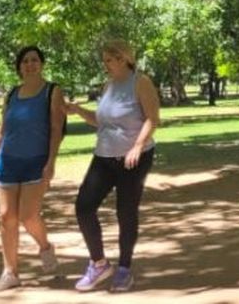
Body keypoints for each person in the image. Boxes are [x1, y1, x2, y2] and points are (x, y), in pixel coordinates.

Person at [65, 39, 160, 292]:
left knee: (125, 212)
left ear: (123, 58)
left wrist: (138, 146)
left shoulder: (141, 82)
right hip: (104, 157)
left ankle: (124, 269)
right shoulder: (108, 85)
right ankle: (99, 264)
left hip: (134, 159)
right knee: (84, 207)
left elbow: (153, 119)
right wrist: (77, 110)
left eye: (109, 59)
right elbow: (101, 121)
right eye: (105, 60)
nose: (105, 64)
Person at [0, 45, 66, 291]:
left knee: (28, 215)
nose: (30, 64)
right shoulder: (12, 93)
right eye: (25, 61)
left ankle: (45, 247)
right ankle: (10, 272)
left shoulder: (52, 91)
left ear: (41, 64)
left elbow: (56, 129)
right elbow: (2, 129)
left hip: (36, 160)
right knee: (6, 217)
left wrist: (51, 162)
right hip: (8, 161)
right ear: (19, 66)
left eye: (34, 60)